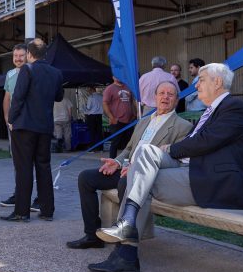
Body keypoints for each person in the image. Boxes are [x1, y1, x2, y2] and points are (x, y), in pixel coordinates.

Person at [89, 63, 243, 272]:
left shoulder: (235, 107)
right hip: (192, 172)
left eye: (201, 80)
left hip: (213, 182)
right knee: (145, 154)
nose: (196, 84)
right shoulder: (211, 111)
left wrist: (169, 148)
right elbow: (194, 145)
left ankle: (126, 254)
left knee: (141, 178)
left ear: (218, 82)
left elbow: (204, 142)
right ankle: (126, 232)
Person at [66, 81, 192, 249]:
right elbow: (129, 149)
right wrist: (117, 162)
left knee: (125, 183)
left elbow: (174, 161)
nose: (165, 97)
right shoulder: (144, 121)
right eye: (161, 93)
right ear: (155, 97)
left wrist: (135, 168)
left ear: (176, 100)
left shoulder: (183, 126)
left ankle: (123, 245)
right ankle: (92, 236)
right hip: (125, 169)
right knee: (85, 178)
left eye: (170, 94)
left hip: (145, 176)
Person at [1, 38, 64, 222]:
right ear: (45, 54)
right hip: (45, 126)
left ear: (29, 54)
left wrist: (11, 120)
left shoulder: (27, 70)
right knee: (44, 167)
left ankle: (22, 212)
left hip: (24, 126)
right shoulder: (56, 73)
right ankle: (47, 210)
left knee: (24, 168)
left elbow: (18, 97)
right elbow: (59, 97)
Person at [0, 43, 29, 208]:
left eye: (21, 56)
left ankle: (32, 197)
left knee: (29, 162)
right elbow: (7, 97)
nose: (18, 59)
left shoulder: (31, 72)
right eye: (15, 56)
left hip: (28, 124)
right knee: (17, 162)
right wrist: (7, 118)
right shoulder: (10, 74)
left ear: (28, 56)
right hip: (14, 125)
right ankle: (18, 194)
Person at [102, 77, 137, 159]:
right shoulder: (110, 88)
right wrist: (112, 118)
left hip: (129, 121)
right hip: (117, 121)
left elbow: (132, 102)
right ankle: (112, 161)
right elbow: (105, 104)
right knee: (115, 143)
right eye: (116, 75)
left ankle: (127, 162)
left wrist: (135, 114)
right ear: (113, 77)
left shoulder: (128, 87)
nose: (118, 77)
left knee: (129, 143)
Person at [82, 86, 104, 151]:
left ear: (92, 90)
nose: (88, 92)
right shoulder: (101, 96)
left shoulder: (91, 97)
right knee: (99, 132)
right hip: (99, 115)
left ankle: (92, 148)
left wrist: (84, 107)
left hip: (92, 116)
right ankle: (101, 148)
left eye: (89, 90)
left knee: (92, 132)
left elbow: (88, 108)